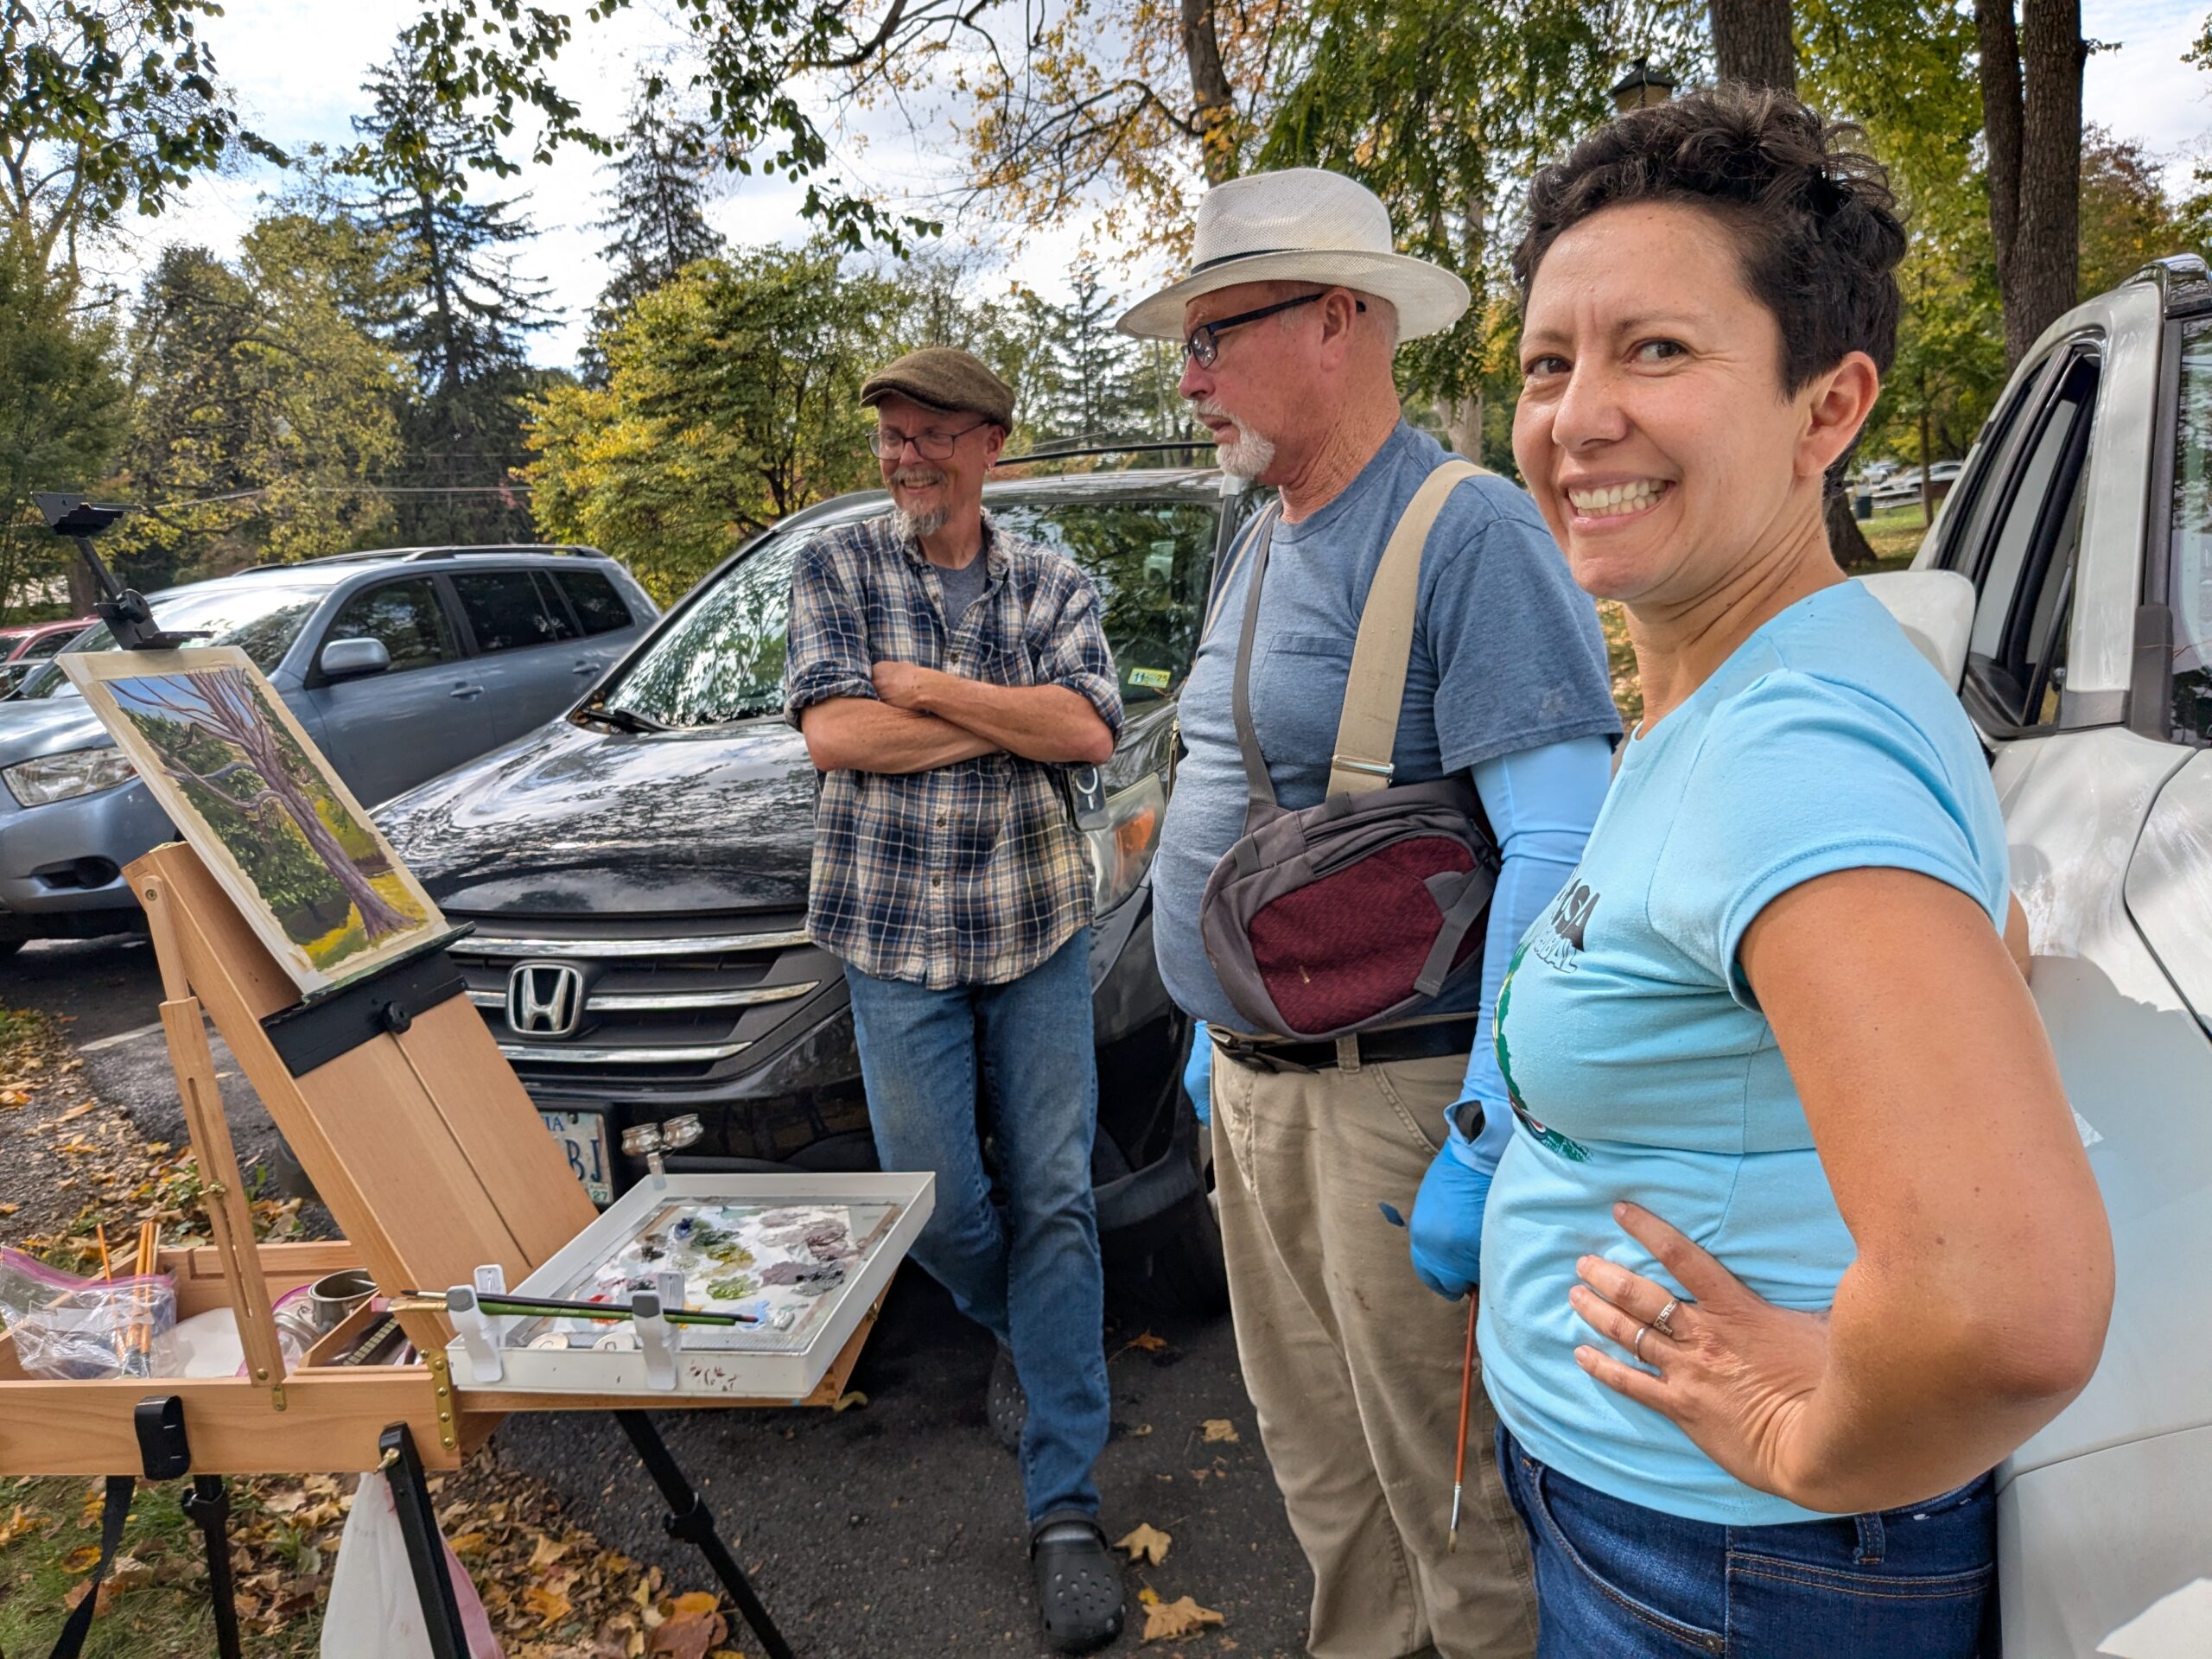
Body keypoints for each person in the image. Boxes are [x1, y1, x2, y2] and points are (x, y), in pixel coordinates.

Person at [1475, 85, 2113, 1655]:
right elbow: (1984, 933)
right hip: (1692, 1547)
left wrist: (1801, 1442)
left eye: (1658, 352)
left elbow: (2008, 1310)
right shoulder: (1782, 679)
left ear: (1829, 409)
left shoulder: (1790, 751)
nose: (1577, 417)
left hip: (1728, 1573)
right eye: (1550, 362)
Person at [1122, 168, 1621, 1658]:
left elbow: (1557, 840)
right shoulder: (1266, 531)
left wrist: (1486, 1124)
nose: (1191, 373)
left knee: (1448, 1498)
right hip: (1260, 1093)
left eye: (1216, 335)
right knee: (1323, 1471)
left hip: (1398, 1107)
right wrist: (1220, 1033)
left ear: (1339, 321)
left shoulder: (1468, 532)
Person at [780, 347, 1128, 1653]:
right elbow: (834, 737)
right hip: (889, 929)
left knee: (1055, 1196)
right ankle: (1032, 1340)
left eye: (932, 435)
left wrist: (923, 691)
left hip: (1035, 923)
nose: (906, 456)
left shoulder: (1049, 578)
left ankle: (1067, 1512)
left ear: (991, 445)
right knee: (932, 1204)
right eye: (891, 437)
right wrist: (1007, 714)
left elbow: (1090, 731)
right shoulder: (837, 570)